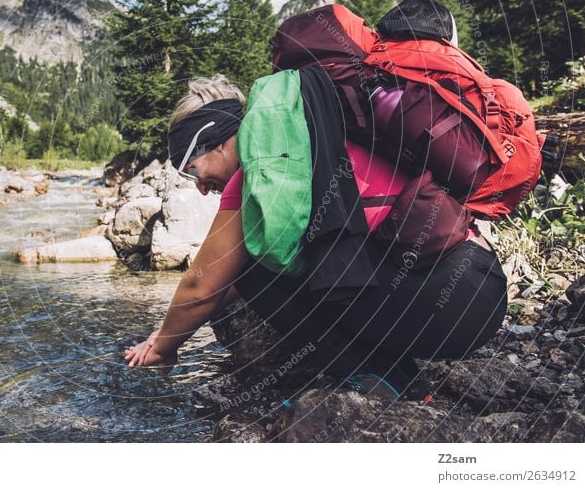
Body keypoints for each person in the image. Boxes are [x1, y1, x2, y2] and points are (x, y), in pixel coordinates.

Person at [124, 74, 508, 399]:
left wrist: (165, 347)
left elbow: (200, 286)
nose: (200, 189)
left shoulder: (259, 176)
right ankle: (400, 379)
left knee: (255, 269)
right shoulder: (310, 137)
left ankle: (373, 377)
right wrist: (169, 328)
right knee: (276, 268)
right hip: (480, 285)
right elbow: (215, 290)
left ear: (221, 142)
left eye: (193, 170)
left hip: (444, 303)